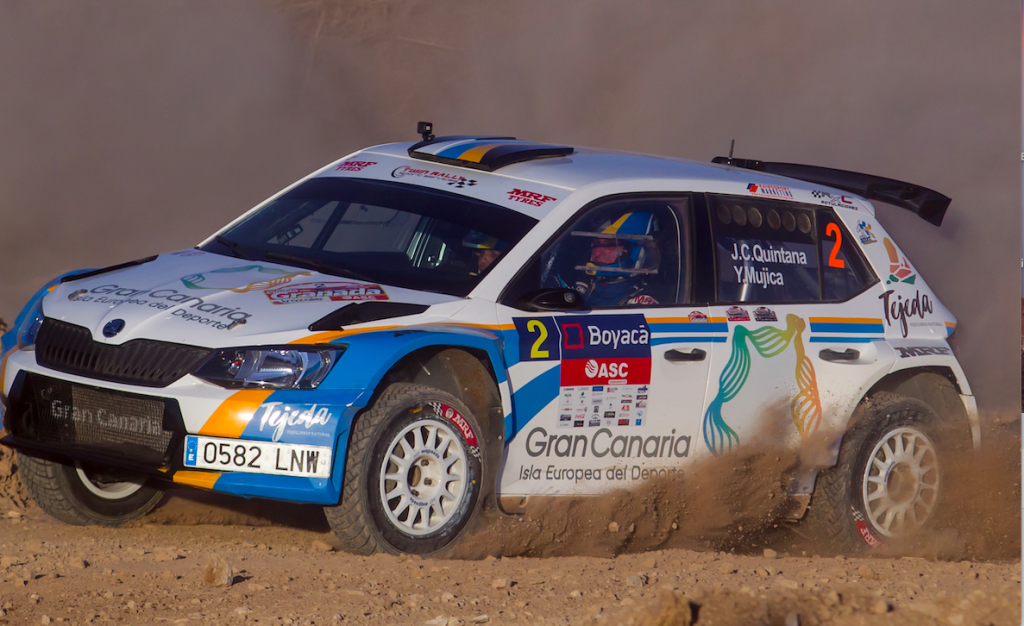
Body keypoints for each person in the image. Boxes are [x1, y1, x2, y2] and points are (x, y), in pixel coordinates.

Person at [560, 211, 661, 306]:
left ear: (633, 250)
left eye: (609, 244)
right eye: (596, 244)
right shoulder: (581, 284)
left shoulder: (641, 304)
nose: (597, 252)